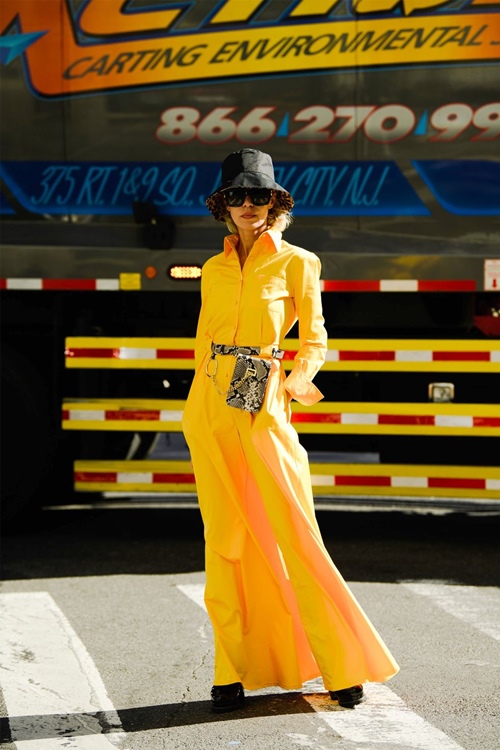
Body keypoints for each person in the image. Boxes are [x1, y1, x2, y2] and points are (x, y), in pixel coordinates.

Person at [182, 149, 399, 713]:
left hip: (266, 408)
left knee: (297, 533)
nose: (248, 205)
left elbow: (315, 338)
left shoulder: (300, 262)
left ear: (275, 203)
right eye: (237, 195)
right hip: (211, 410)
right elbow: (204, 343)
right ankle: (230, 671)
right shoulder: (213, 269)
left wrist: (292, 383)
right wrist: (195, 409)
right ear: (222, 205)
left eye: (259, 195)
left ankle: (340, 666)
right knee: (224, 542)